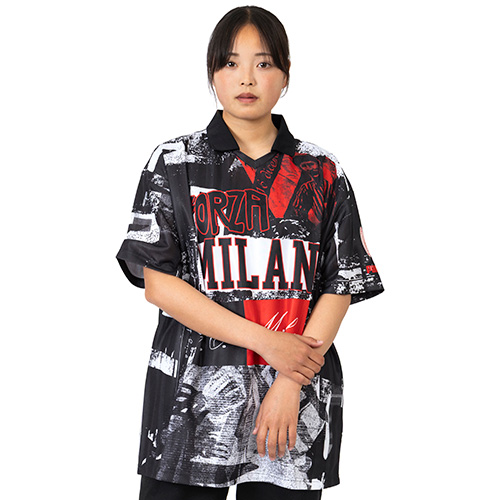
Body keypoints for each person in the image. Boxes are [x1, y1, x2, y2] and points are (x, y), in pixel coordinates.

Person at [116, 6, 384, 500]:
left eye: (263, 63)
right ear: (212, 74)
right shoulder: (175, 161)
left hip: (294, 403)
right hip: (189, 403)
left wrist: (288, 378)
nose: (246, 78)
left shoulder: (322, 171)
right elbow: (158, 283)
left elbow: (342, 282)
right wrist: (268, 342)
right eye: (230, 63)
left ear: (285, 74)